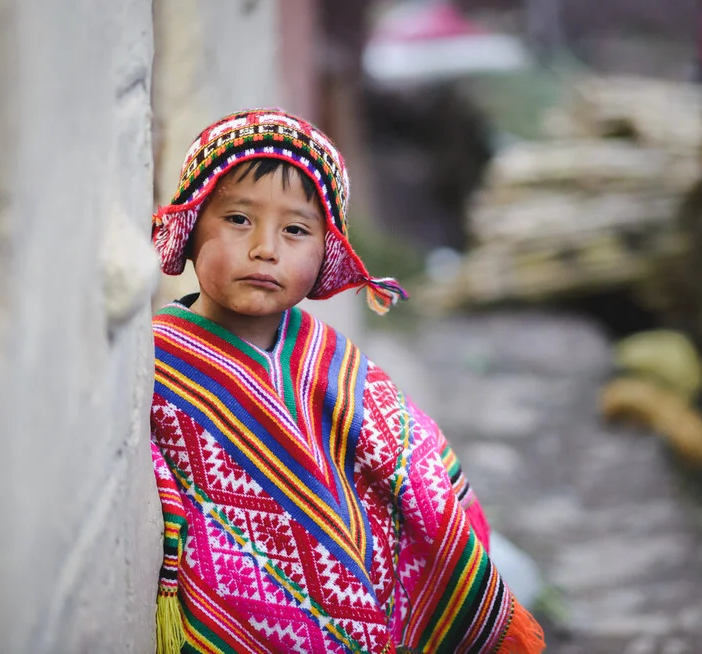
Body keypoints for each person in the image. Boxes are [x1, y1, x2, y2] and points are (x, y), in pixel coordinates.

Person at [149, 109, 545, 654]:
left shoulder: (327, 357)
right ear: (193, 230)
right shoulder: (161, 359)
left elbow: (413, 459)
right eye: (239, 219)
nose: (265, 247)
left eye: (295, 230)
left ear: (323, 253)